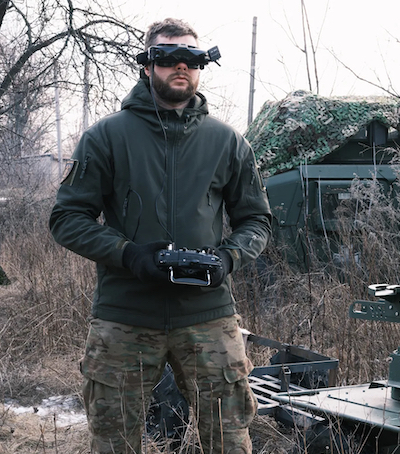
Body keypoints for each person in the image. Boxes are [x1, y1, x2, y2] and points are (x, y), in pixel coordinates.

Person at [49, 17, 272, 454]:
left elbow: (257, 221)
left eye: (191, 58)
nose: (180, 67)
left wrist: (227, 259)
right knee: (114, 442)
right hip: (126, 312)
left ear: (202, 65)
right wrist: (129, 254)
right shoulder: (107, 137)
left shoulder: (227, 143)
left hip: (208, 314)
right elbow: (67, 218)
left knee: (230, 439)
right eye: (167, 57)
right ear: (147, 66)